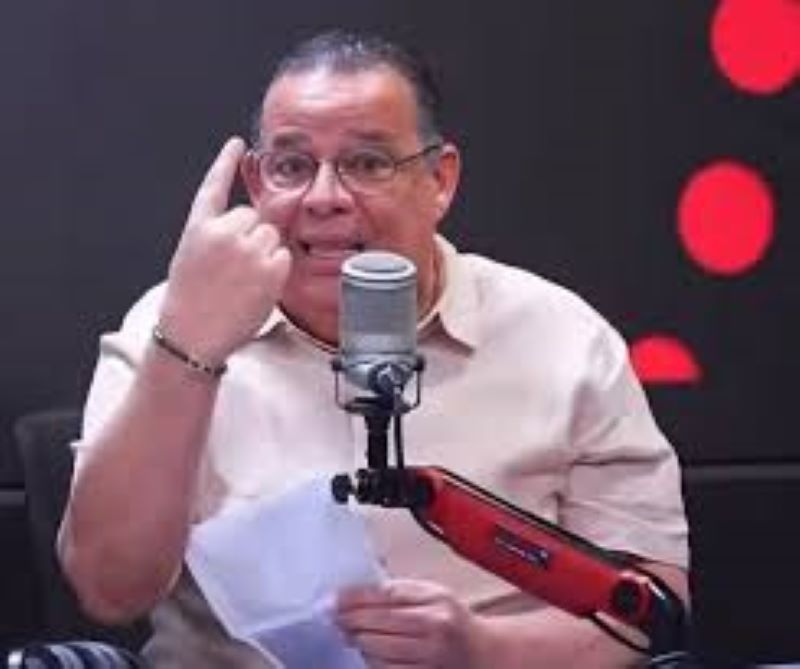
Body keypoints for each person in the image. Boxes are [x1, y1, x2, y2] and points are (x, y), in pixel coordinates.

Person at [57, 30, 689, 669]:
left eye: (367, 163)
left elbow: (652, 610)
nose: (324, 198)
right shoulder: (172, 323)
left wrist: (486, 651)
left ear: (440, 180)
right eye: (291, 166)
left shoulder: (561, 336)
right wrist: (188, 353)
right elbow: (109, 590)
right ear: (255, 181)